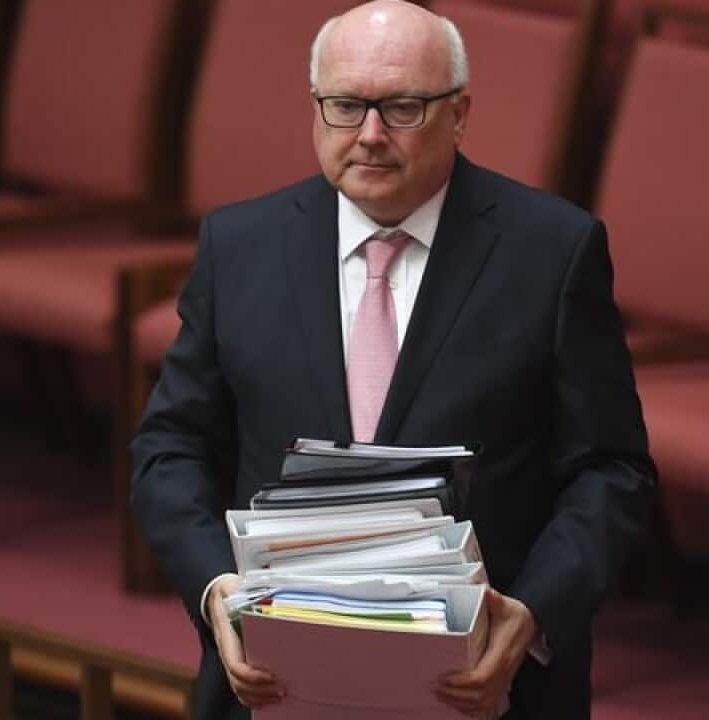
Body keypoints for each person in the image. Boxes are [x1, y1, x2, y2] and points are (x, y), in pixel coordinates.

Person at [130, 1, 655, 718]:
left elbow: (611, 471)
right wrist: (214, 585)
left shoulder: (553, 254)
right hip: (278, 683)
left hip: (485, 690)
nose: (370, 135)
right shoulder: (239, 248)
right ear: (316, 108)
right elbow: (170, 448)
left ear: (461, 112)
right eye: (346, 105)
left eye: (403, 107)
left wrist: (532, 612)